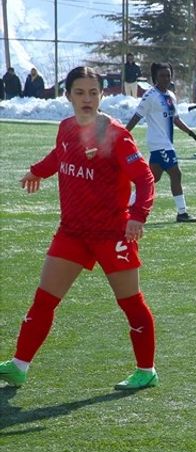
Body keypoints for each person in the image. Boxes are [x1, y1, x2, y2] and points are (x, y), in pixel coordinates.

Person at [0, 66, 159, 391]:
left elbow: (144, 178)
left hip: (112, 235)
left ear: (101, 95)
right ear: (68, 95)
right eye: (80, 92)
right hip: (72, 232)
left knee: (130, 304)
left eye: (93, 92)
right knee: (44, 300)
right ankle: (19, 366)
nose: (87, 99)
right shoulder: (66, 128)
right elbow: (60, 155)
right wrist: (38, 172)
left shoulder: (115, 135)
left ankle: (146, 370)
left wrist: (138, 215)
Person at [125, 62, 196, 223]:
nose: (166, 78)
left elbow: (175, 119)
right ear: (155, 77)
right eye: (162, 75)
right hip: (159, 144)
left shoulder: (170, 95)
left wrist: (191, 134)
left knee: (152, 178)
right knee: (176, 173)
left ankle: (125, 206)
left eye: (168, 75)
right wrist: (123, 135)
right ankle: (182, 213)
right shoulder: (150, 95)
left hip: (166, 143)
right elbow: (136, 117)